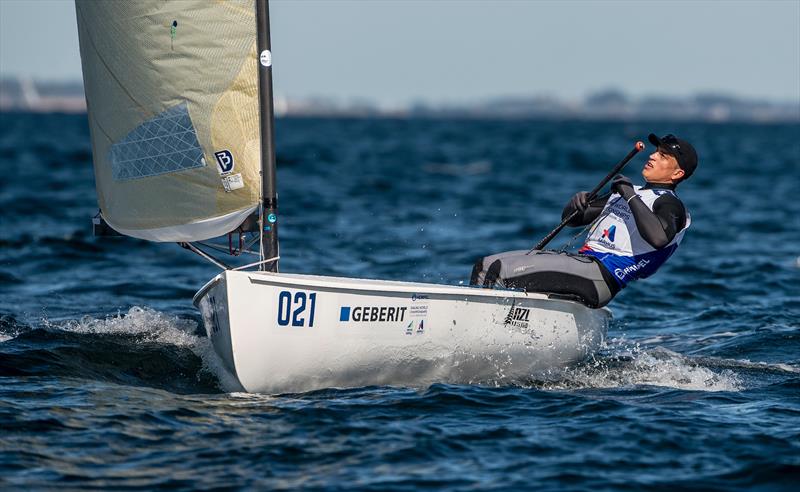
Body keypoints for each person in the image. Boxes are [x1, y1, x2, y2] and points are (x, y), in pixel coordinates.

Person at [469, 133, 698, 308]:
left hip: (601, 276)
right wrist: (577, 202)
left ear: (677, 174)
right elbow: (573, 220)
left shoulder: (669, 203)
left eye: (663, 156)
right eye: (656, 151)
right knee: (484, 266)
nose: (652, 156)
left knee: (499, 270)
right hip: (582, 264)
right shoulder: (629, 192)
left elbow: (659, 238)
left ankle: (476, 336)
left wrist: (629, 195)